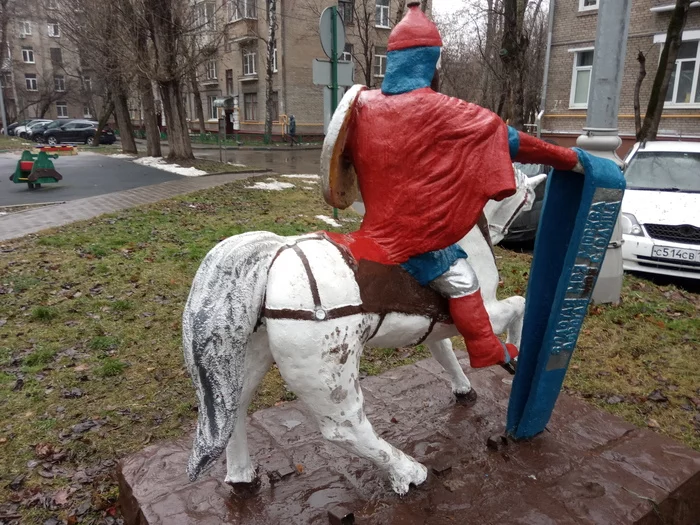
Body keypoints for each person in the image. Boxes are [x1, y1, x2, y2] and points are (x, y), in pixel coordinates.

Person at [338, 3, 583, 371]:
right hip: (410, 240)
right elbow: (507, 138)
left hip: (370, 228)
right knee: (463, 278)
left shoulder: (363, 105)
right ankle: (485, 347)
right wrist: (566, 159)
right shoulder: (444, 111)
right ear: (430, 62)